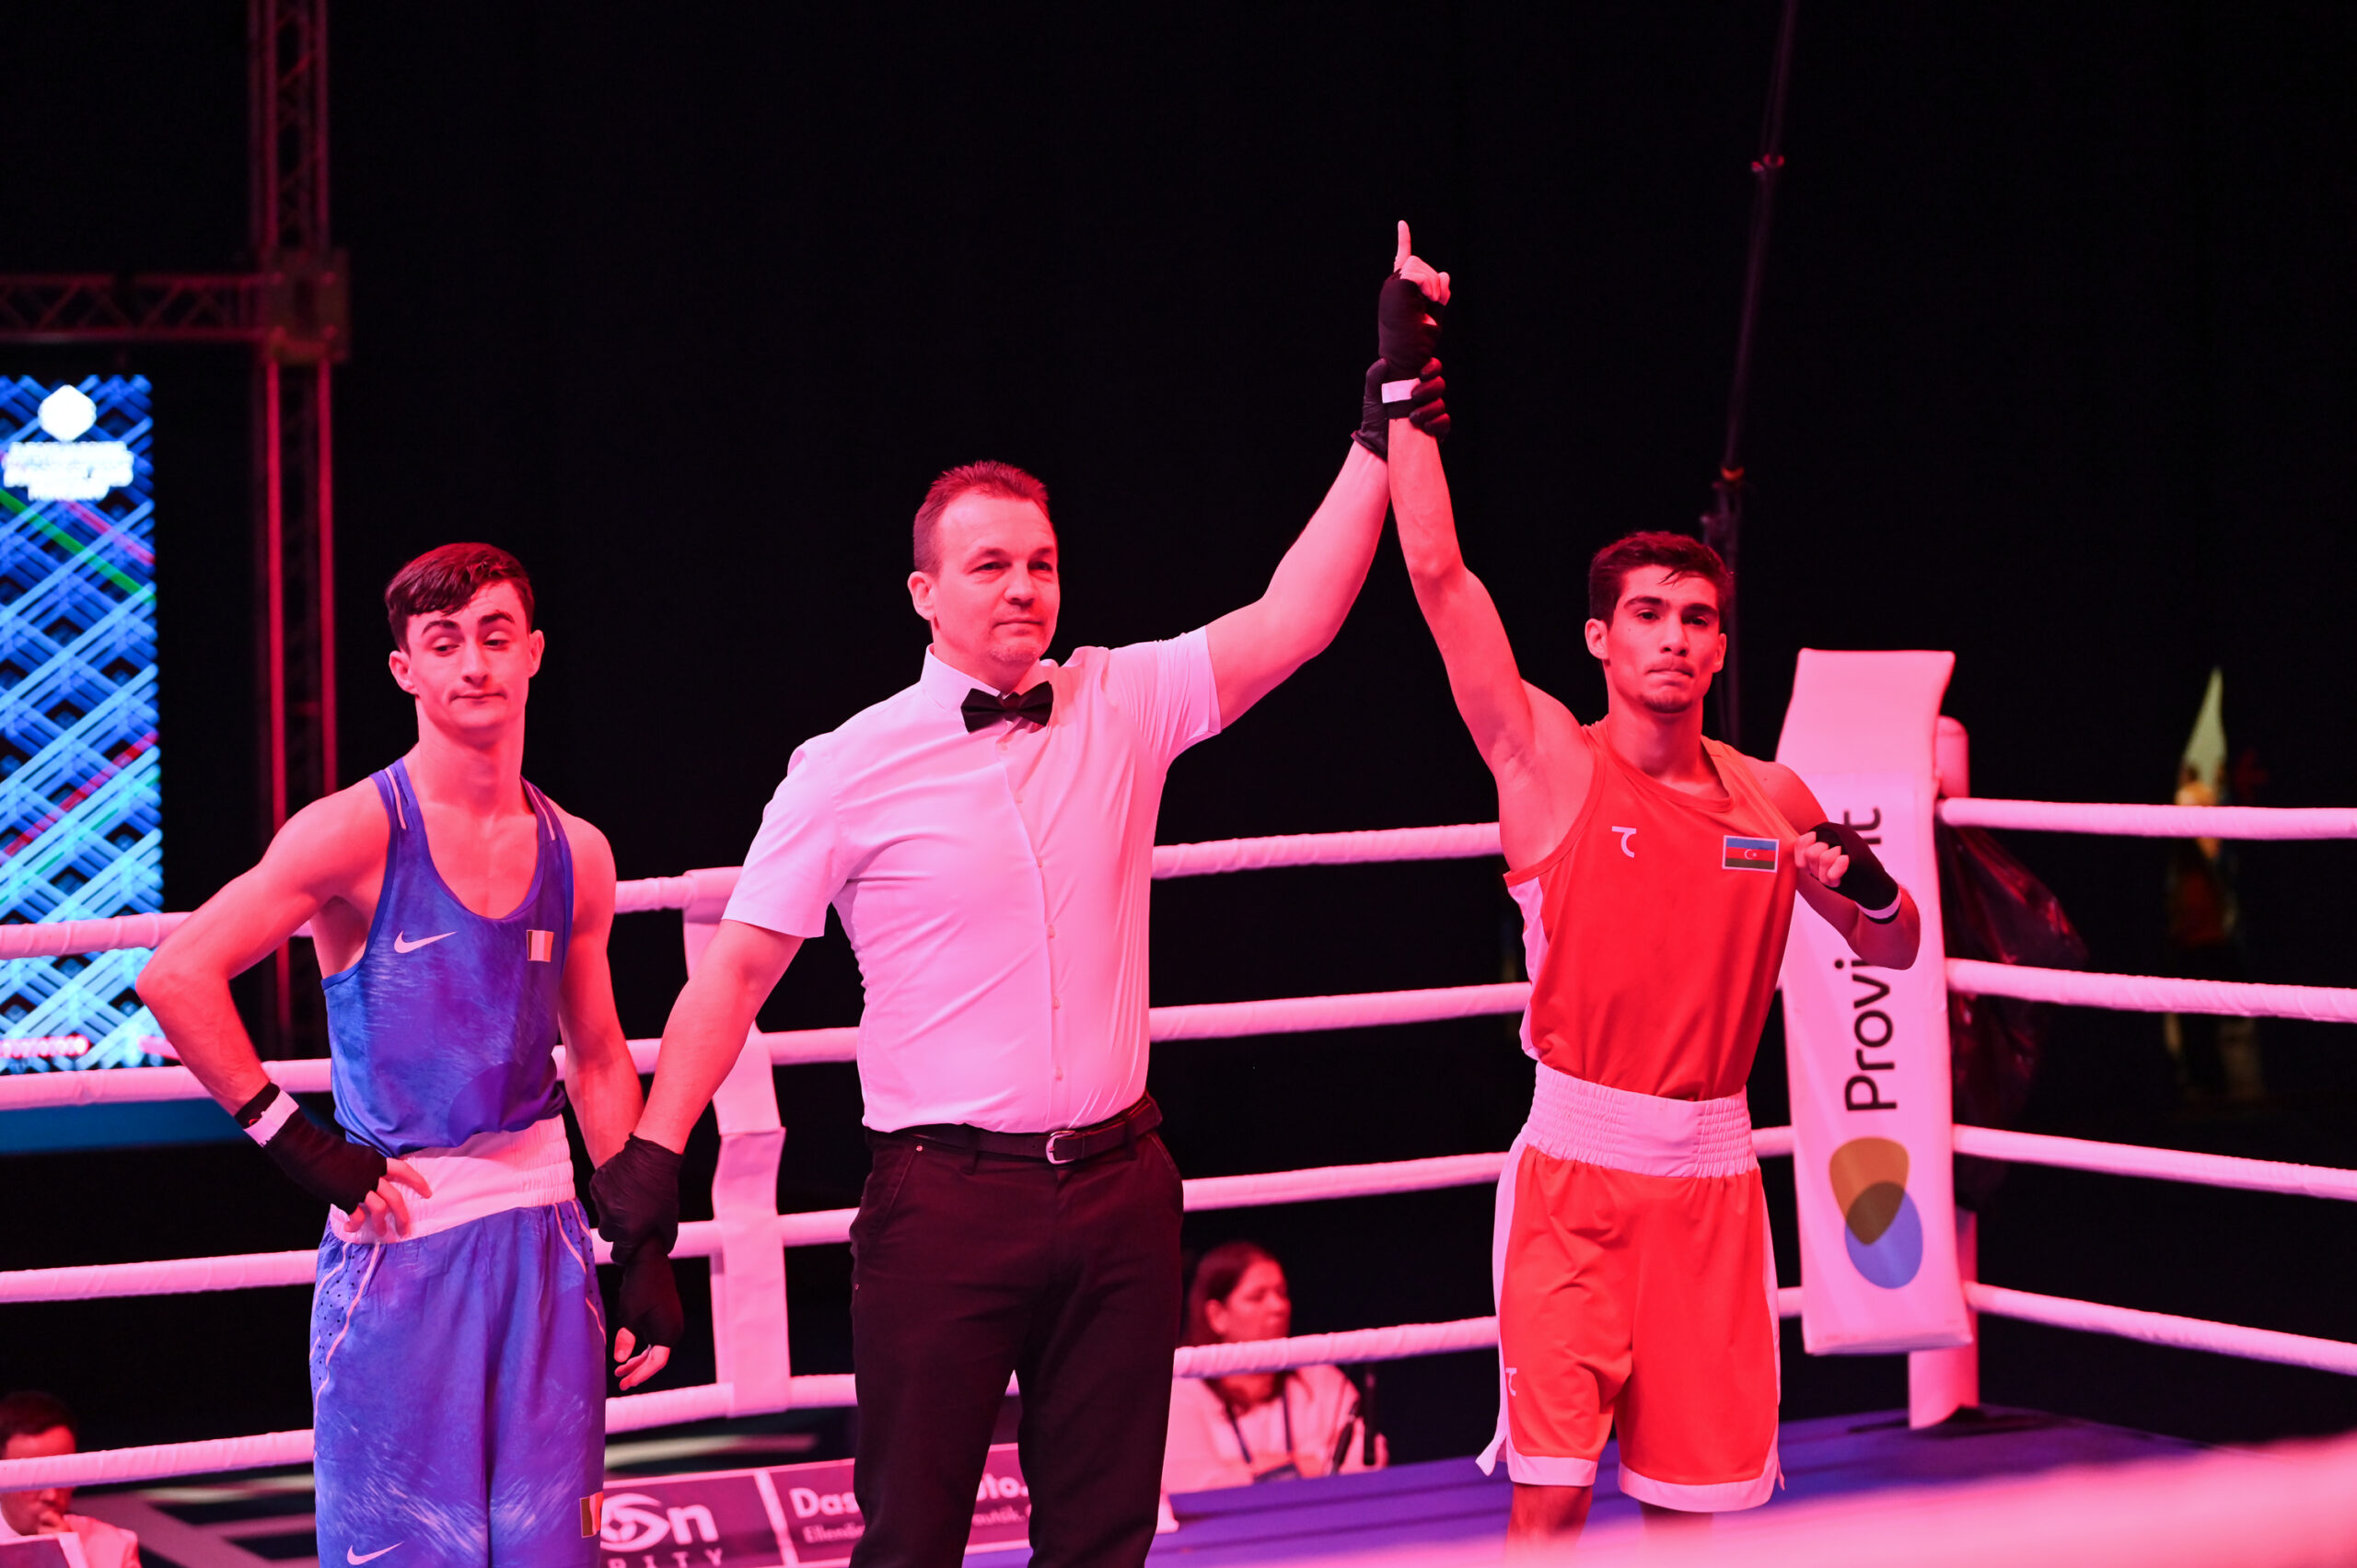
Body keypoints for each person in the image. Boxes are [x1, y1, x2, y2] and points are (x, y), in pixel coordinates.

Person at [586, 226, 1453, 1568]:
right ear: (924, 592)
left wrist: (1380, 416)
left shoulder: (1121, 695)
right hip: (942, 1199)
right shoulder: (847, 763)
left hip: (1121, 1185)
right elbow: (737, 973)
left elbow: (1299, 615)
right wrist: (654, 1156)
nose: (1023, 586)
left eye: (1040, 561)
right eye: (989, 564)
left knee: (1103, 1539)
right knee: (913, 1538)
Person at [1387, 419, 1922, 1550]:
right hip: (1574, 1178)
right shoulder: (1547, 760)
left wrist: (1872, 890)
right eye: (1646, 613)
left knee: (1694, 1510)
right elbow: (1437, 573)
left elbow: (1894, 949)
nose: (1673, 636)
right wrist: (1403, 401)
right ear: (1599, 637)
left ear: (1720, 646)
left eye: (1696, 617)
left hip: (1713, 1179)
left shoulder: (1774, 794)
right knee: (1551, 1495)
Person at [135, 544, 677, 1568]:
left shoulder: (578, 849)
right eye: (444, 642)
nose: (473, 662)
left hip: (546, 1240)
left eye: (494, 636)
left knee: (556, 1550)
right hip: (401, 1245)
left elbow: (599, 1055)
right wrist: (293, 1138)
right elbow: (178, 974)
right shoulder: (350, 830)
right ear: (405, 669)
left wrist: (642, 1240)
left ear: (533, 653)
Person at [1162, 1243, 1383, 1493]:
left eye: (1281, 1293)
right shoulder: (1182, 1389)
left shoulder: (1320, 1377)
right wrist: (1313, 1463)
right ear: (1217, 1316)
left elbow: (1368, 1459)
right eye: (1257, 1297)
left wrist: (1257, 1468)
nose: (1278, 1307)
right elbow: (1193, 1485)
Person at [0, 1393, 140, 1568]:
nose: (51, 1496)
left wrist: (70, 1559)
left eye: (62, 1476)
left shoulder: (116, 1547)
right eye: (32, 1480)